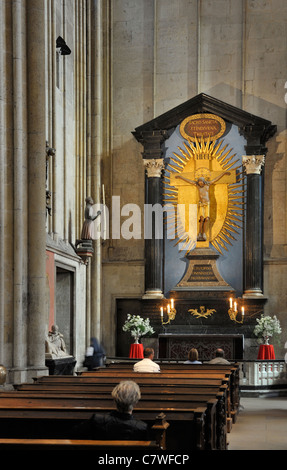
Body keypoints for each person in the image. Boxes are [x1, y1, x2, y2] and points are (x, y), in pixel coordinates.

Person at [71, 381, 149, 440]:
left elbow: (74, 435)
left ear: (115, 399)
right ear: (136, 401)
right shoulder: (141, 428)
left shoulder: (97, 420)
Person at [175, 172, 230, 240]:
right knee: (201, 219)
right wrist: (181, 177)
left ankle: (203, 233)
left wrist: (223, 174)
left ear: (204, 182)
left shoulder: (208, 184)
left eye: (201, 183)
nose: (200, 184)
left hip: (207, 204)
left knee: (206, 219)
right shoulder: (197, 185)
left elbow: (216, 179)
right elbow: (189, 181)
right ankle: (199, 233)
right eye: (199, 183)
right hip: (201, 203)